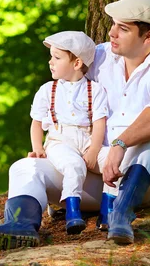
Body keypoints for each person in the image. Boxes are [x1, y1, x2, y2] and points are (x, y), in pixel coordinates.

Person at [0, 0, 150, 250]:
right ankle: (20, 226)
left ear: (148, 36)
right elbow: (65, 78)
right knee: (24, 167)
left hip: (149, 180)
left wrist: (120, 143)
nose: (112, 33)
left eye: (123, 28)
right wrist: (54, 143)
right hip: (93, 174)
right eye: (113, 24)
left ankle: (121, 216)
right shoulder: (100, 57)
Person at [28, 31, 109, 235]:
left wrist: (94, 150)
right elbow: (36, 123)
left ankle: (109, 209)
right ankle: (73, 212)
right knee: (74, 165)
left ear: (76, 63)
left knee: (113, 161)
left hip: (89, 140)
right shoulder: (48, 90)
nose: (50, 62)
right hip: (60, 140)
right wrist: (38, 148)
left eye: (57, 57)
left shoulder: (95, 90)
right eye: (51, 57)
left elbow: (100, 124)